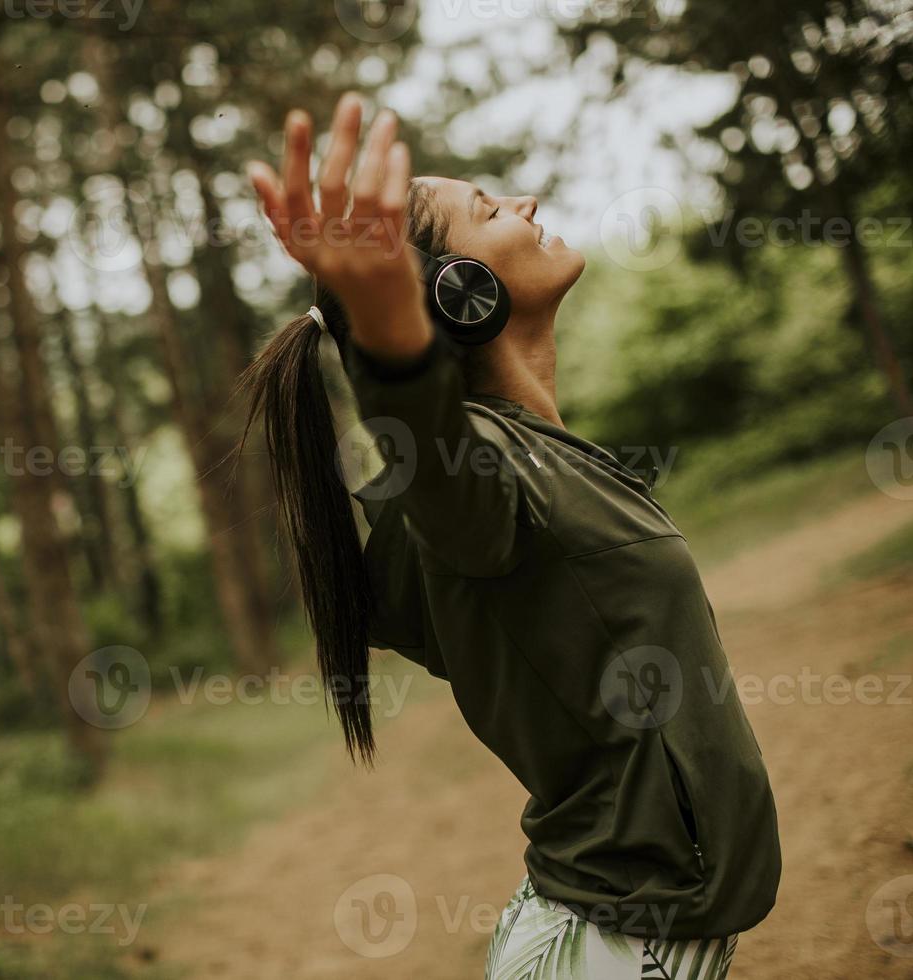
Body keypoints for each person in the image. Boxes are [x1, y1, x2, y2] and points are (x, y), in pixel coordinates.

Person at [242, 92, 779, 978]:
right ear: (457, 291)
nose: (525, 203)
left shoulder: (541, 459)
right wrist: (386, 336)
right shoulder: (477, 478)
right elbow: (432, 450)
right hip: (614, 952)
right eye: (488, 211)